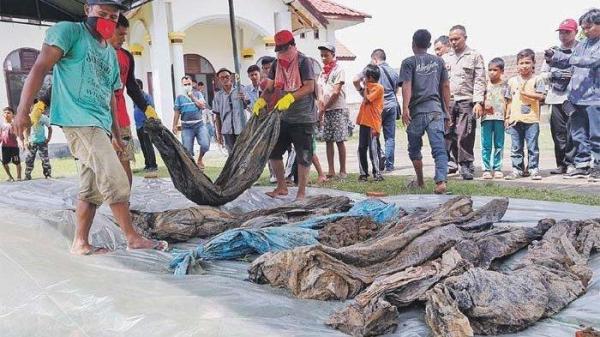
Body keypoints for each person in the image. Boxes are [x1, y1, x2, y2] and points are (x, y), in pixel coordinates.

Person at [13, 0, 165, 255]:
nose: (107, 20)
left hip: (100, 124)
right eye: (101, 14)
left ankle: (80, 242)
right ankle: (132, 237)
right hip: (78, 120)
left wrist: (116, 137)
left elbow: (109, 100)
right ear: (87, 10)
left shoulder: (111, 55)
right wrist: (23, 110)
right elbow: (40, 67)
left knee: (91, 189)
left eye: (113, 17)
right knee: (115, 176)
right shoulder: (69, 32)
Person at [253, 29, 317, 200]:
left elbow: (310, 87)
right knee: (274, 151)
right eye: (279, 50)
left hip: (303, 117)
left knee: (303, 156)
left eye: (284, 49)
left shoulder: (304, 62)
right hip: (283, 117)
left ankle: (301, 192)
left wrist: (290, 97)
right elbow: (270, 87)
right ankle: (281, 187)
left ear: (292, 46)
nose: (282, 53)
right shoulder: (277, 64)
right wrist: (262, 100)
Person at [545, 8, 600, 181]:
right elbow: (568, 61)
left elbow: (592, 61)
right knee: (577, 134)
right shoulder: (582, 44)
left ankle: (597, 166)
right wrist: (554, 56)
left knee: (596, 134)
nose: (584, 31)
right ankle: (581, 165)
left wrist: (568, 58)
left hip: (594, 97)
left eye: (588, 27)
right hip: (575, 98)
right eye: (583, 27)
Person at [400, 29, 451, 194]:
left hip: (417, 112)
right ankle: (441, 181)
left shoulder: (408, 62)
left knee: (414, 148)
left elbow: (406, 85)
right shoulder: (439, 62)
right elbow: (445, 86)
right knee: (439, 148)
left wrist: (405, 107)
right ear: (429, 45)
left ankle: (420, 180)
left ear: (413, 43)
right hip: (436, 110)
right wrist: (447, 111)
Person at [108, 14, 153, 186]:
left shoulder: (126, 56)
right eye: (120, 34)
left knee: (123, 159)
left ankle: (125, 201)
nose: (123, 38)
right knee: (99, 163)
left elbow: (132, 87)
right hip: (97, 120)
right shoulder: (95, 53)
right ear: (108, 30)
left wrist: (147, 108)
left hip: (121, 119)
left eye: (125, 34)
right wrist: (43, 101)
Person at [443, 25, 486, 180]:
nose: (453, 42)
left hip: (466, 101)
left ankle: (466, 165)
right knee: (447, 135)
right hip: (449, 102)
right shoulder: (445, 58)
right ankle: (450, 163)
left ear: (465, 38)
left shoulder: (474, 56)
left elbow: (480, 80)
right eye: (451, 39)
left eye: (456, 39)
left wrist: (478, 102)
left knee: (464, 134)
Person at [541, 19, 579, 176]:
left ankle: (574, 164)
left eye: (567, 32)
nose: (563, 35)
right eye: (561, 32)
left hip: (574, 98)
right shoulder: (553, 51)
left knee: (574, 133)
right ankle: (561, 164)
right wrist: (553, 74)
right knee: (558, 133)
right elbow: (542, 75)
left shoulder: (582, 49)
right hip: (556, 97)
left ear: (576, 32)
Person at [353, 49, 400, 172]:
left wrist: (361, 89)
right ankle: (389, 165)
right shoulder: (394, 72)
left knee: (374, 135)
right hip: (391, 105)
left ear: (374, 59)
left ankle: (380, 157)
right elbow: (396, 90)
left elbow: (356, 79)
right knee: (390, 137)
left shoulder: (371, 71)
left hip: (375, 109)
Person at [505, 49, 546, 181]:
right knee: (516, 147)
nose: (524, 65)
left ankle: (533, 169)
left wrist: (527, 94)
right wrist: (507, 117)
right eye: (521, 63)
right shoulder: (512, 81)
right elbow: (509, 101)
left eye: (527, 62)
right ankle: (517, 169)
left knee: (532, 146)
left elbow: (541, 96)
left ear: (533, 63)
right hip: (515, 119)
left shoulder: (537, 79)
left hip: (531, 119)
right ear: (517, 65)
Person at [317, 42, 348, 179]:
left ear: (333, 55)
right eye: (322, 56)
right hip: (326, 110)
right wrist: (320, 106)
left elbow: (335, 93)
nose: (324, 58)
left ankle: (343, 170)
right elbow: (319, 90)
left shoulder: (338, 70)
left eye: (326, 55)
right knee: (328, 140)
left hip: (337, 108)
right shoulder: (323, 72)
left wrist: (325, 107)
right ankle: (331, 170)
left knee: (339, 140)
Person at [480, 58, 508, 179]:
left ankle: (497, 168)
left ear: (501, 71)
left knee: (499, 144)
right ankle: (486, 168)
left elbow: (509, 101)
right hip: (486, 118)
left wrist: (507, 117)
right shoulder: (484, 85)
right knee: (486, 144)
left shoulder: (505, 85)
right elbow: (478, 98)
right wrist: (483, 102)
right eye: (490, 70)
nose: (492, 72)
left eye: (495, 70)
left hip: (500, 118)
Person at [356, 64, 384, 182]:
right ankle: (363, 173)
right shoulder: (368, 86)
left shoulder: (378, 87)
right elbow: (355, 81)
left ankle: (377, 173)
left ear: (371, 77)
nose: (364, 78)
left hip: (373, 123)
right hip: (364, 122)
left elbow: (367, 99)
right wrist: (362, 83)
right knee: (361, 148)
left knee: (373, 149)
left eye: (365, 76)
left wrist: (365, 86)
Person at [173, 75, 209, 169]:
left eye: (189, 84)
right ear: (182, 85)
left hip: (199, 125)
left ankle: (200, 159)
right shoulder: (179, 97)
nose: (187, 86)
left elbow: (202, 106)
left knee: (205, 144)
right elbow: (177, 112)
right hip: (187, 128)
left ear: (192, 84)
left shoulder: (198, 94)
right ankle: (193, 167)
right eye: (185, 84)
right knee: (187, 150)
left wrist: (191, 96)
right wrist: (174, 125)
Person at [213, 68, 247, 152]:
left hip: (241, 128)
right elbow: (217, 115)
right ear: (219, 80)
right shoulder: (218, 96)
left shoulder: (240, 90)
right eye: (222, 78)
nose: (225, 79)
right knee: (231, 154)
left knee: (243, 152)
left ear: (231, 77)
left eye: (227, 77)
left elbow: (247, 107)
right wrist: (219, 133)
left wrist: (244, 99)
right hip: (227, 129)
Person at [24, 91, 53, 180]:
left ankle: (47, 174)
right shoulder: (28, 117)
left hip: (42, 142)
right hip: (32, 142)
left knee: (45, 159)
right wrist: (26, 140)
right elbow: (26, 130)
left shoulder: (43, 117)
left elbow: (50, 128)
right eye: (31, 106)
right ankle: (27, 175)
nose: (33, 107)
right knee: (29, 159)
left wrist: (48, 138)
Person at [132, 79, 157, 172]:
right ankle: (147, 164)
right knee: (143, 145)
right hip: (138, 125)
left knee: (148, 145)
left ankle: (153, 165)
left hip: (145, 124)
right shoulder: (135, 97)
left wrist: (149, 121)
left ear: (139, 86)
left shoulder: (146, 96)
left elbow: (151, 109)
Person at [1, 107, 23, 181]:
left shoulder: (14, 125)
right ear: (3, 115)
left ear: (13, 115)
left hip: (14, 148)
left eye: (8, 113)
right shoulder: (2, 125)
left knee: (17, 161)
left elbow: (18, 136)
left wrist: (21, 143)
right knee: (4, 163)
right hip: (4, 147)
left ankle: (19, 177)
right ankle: (10, 177)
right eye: (5, 113)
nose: (6, 114)